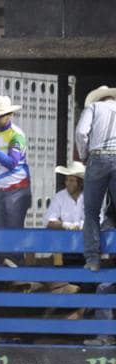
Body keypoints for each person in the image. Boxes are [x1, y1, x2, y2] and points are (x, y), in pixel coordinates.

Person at [0, 95, 32, 260]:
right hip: (0, 189)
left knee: (13, 235)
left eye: (0, 115)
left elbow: (12, 163)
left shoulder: (17, 135)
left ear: (10, 115)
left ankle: (16, 277)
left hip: (17, 190)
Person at [75, 85, 116, 271]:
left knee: (91, 211)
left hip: (98, 157)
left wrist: (84, 155)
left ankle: (92, 259)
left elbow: (81, 132)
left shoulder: (93, 108)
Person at [45, 162, 87, 231]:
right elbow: (49, 221)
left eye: (72, 180)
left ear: (81, 183)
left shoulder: (90, 197)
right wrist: (65, 225)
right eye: (66, 180)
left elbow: (99, 220)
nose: (68, 183)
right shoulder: (59, 197)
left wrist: (82, 225)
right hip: (64, 239)